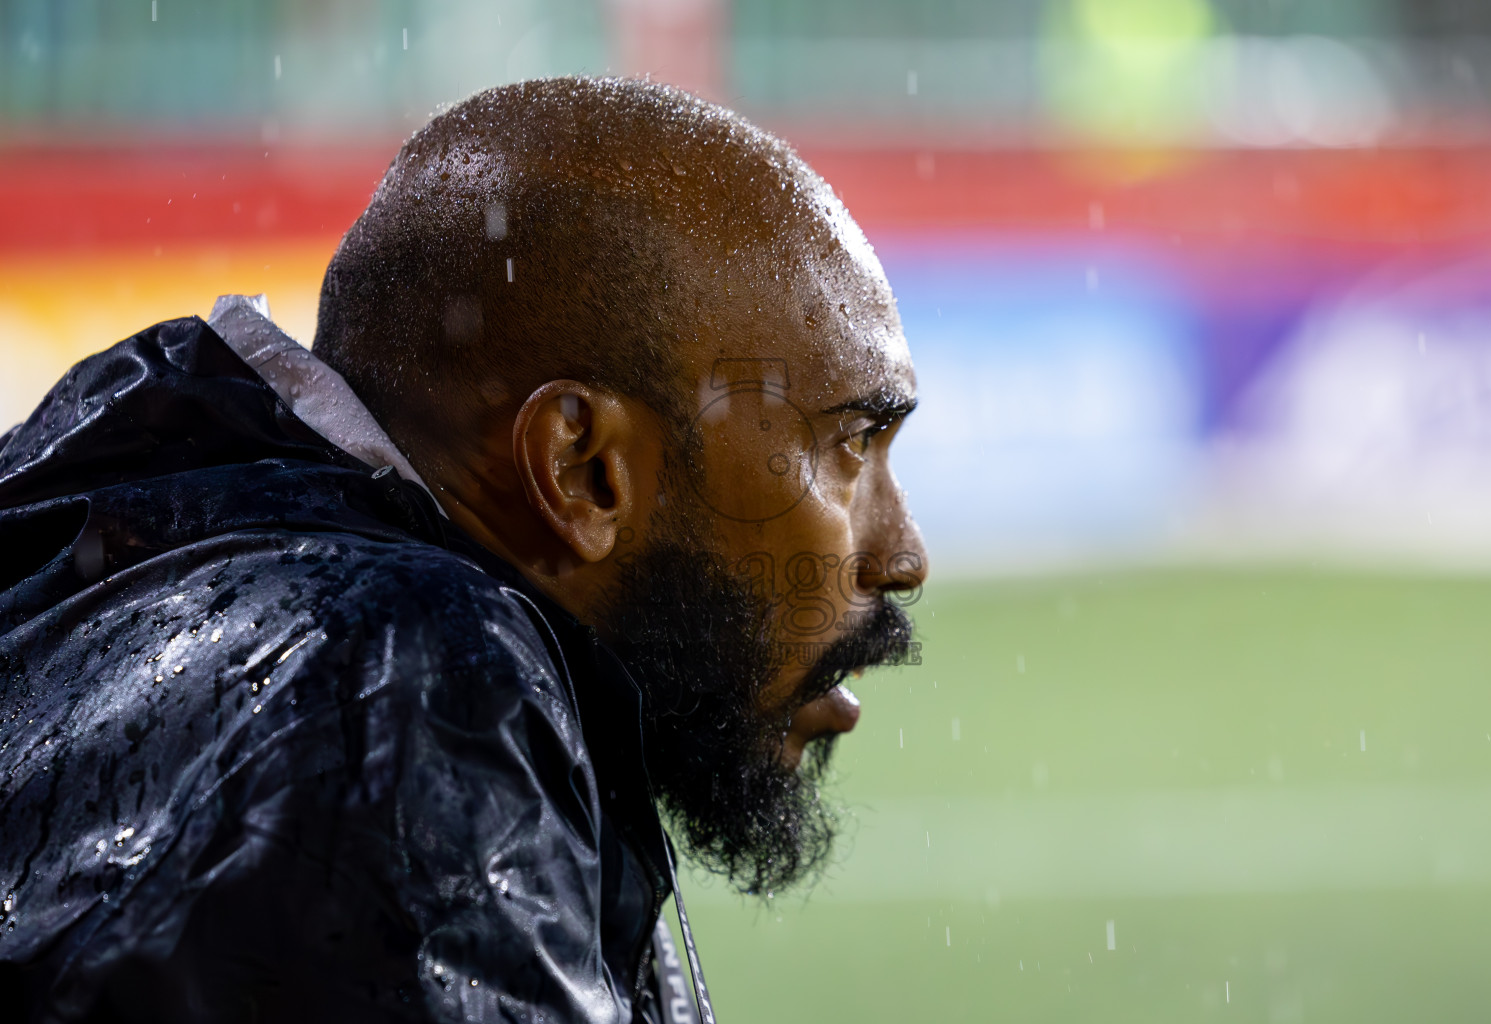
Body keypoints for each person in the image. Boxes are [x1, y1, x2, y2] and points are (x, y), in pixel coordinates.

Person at [0, 77, 926, 1023]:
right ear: (584, 469)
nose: (905, 557)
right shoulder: (407, 694)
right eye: (850, 444)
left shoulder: (110, 533)